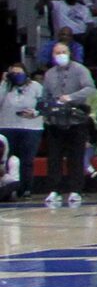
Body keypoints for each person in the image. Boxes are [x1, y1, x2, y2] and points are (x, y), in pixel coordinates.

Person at [42, 45, 96, 206]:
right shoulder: (49, 74)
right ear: (53, 55)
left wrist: (71, 97)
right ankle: (54, 190)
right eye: (57, 53)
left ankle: (76, 190)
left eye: (63, 52)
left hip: (75, 118)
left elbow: (90, 89)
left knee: (76, 156)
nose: (61, 55)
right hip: (55, 120)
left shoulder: (80, 70)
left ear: (69, 53)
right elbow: (45, 95)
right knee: (54, 157)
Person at [0, 62, 45, 198]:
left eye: (19, 73)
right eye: (13, 73)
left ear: (26, 74)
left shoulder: (36, 86)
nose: (16, 76)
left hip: (31, 128)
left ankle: (26, 188)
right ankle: (8, 188)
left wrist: (35, 113)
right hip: (7, 127)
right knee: (7, 160)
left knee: (27, 160)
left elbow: (43, 104)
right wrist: (4, 83)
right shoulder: (6, 86)